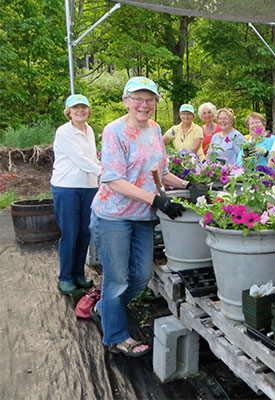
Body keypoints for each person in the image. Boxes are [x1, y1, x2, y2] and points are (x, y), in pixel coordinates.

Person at [89, 77, 192, 357]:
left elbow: (160, 172)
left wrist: (186, 185)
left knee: (142, 275)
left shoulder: (155, 129)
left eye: (149, 100)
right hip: (113, 216)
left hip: (143, 216)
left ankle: (105, 308)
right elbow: (112, 179)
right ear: (126, 101)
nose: (143, 105)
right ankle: (116, 337)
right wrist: (156, 199)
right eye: (137, 99)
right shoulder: (115, 131)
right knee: (117, 279)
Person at [51, 94, 101, 295]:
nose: (80, 111)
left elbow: (92, 157)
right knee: (70, 233)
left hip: (88, 186)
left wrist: (101, 172)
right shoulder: (64, 132)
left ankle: (79, 274)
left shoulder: (89, 130)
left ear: (88, 110)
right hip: (67, 187)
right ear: (68, 112)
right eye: (76, 108)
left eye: (84, 108)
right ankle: (65, 277)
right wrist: (104, 173)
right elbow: (79, 159)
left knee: (84, 232)